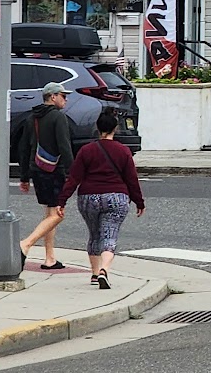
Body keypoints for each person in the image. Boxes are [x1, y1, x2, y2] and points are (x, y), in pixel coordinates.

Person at [55, 109, 144, 290]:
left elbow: (74, 178)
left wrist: (62, 200)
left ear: (97, 127)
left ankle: (95, 274)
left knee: (94, 235)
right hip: (116, 197)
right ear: (115, 129)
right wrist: (139, 201)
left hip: (89, 197)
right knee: (109, 236)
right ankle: (104, 269)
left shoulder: (86, 150)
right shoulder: (123, 151)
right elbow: (131, 179)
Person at [17, 82, 75, 270]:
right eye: (63, 96)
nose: (66, 99)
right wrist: (73, 173)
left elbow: (23, 148)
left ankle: (50, 258)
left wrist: (24, 176)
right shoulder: (58, 117)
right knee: (58, 214)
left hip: (37, 169)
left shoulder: (32, 117)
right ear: (53, 97)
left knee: (50, 212)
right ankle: (25, 244)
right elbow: (64, 146)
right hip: (54, 170)